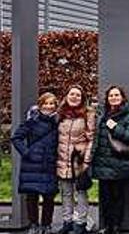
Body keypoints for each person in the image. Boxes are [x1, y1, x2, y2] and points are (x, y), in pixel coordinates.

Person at [91, 85, 129, 234]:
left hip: (119, 163)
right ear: (107, 98)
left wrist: (115, 128)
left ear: (122, 98)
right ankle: (107, 225)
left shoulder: (128, 115)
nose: (114, 98)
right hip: (102, 163)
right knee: (105, 198)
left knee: (118, 197)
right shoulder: (101, 114)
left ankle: (116, 226)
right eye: (111, 96)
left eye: (117, 95)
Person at [12, 92, 59, 234]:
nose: (49, 106)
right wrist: (26, 153)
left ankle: (46, 225)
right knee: (31, 196)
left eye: (52, 104)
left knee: (49, 196)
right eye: (46, 103)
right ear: (40, 105)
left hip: (49, 163)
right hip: (32, 164)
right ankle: (33, 224)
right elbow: (16, 138)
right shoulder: (31, 121)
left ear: (55, 106)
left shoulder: (58, 122)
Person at [56, 85, 95, 234]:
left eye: (78, 95)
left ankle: (81, 222)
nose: (74, 97)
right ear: (66, 96)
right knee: (65, 192)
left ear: (82, 98)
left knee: (81, 192)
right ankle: (67, 221)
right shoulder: (60, 114)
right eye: (72, 94)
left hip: (79, 160)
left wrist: (86, 160)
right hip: (62, 158)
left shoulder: (88, 114)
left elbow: (91, 138)